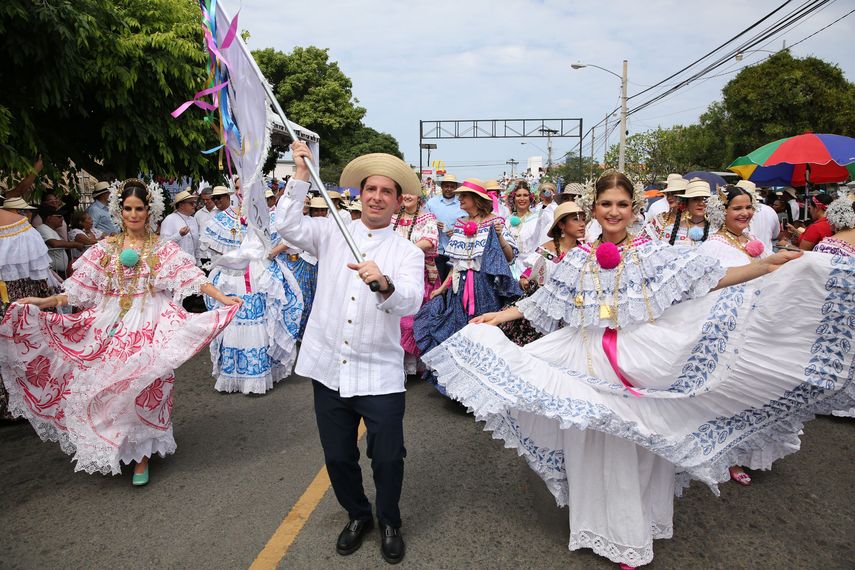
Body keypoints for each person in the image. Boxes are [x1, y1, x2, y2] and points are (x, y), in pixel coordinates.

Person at [419, 171, 853, 569]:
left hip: (640, 358)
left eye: (621, 204)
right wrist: (500, 317)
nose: (613, 211)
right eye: (605, 204)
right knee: (589, 448)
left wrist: (763, 266)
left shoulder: (654, 254)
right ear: (594, 210)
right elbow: (543, 301)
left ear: (633, 209)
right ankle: (597, 527)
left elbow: (707, 279)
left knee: (636, 451)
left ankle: (631, 531)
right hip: (584, 356)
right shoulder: (577, 258)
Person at [0, 179, 241, 485]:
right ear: (119, 210)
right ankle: (119, 444)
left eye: (139, 208)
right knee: (109, 385)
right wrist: (43, 301)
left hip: (151, 324)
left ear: (148, 211)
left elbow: (192, 278)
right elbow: (76, 293)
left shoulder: (161, 248)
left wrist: (222, 298)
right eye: (128, 208)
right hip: (110, 324)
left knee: (145, 387)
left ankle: (141, 457)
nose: (133, 214)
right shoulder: (106, 248)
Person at [274, 143, 424, 565]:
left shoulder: (407, 252)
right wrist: (301, 173)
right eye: (369, 189)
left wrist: (385, 283)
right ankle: (358, 514)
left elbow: (411, 299)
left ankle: (389, 520)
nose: (376, 196)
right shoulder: (332, 231)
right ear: (360, 194)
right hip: (329, 368)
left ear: (398, 201)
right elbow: (284, 223)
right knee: (338, 456)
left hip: (379, 374)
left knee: (389, 457)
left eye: (385, 191)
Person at [202, 186, 303, 396]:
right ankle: (232, 375)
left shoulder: (267, 216)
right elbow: (210, 246)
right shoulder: (224, 218)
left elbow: (290, 237)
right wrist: (231, 258)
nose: (243, 191)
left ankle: (256, 376)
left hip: (260, 276)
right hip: (232, 277)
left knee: (260, 320)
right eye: (238, 187)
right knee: (233, 320)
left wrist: (271, 253)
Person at [414, 178, 521, 361]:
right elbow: (456, 263)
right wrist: (442, 288)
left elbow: (509, 258)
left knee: (484, 330)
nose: (460, 199)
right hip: (459, 287)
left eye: (464, 196)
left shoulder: (496, 222)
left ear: (476, 199)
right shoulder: (461, 223)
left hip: (485, 286)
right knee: (457, 328)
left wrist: (500, 236)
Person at [500, 200, 586, 346]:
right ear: (561, 225)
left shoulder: (584, 252)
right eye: (575, 219)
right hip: (542, 303)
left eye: (583, 220)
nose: (582, 224)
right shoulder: (548, 247)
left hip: (570, 308)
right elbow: (532, 267)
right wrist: (524, 278)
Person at [0, 201, 52, 420]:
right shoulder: (21, 229)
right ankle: (27, 401)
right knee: (20, 350)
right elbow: (40, 276)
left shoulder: (20, 229)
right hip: (17, 302)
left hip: (15, 301)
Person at [391, 193, 439, 374]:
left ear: (419, 197)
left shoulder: (428, 218)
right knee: (394, 318)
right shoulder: (392, 218)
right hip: (394, 273)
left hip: (422, 275)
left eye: (411, 192)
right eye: (403, 192)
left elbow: (429, 241)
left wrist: (405, 252)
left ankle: (413, 362)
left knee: (412, 320)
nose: (407, 196)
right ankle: (397, 364)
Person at [643, 178, 711, 246]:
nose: (701, 203)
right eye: (668, 194)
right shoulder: (667, 224)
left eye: (674, 194)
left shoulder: (715, 229)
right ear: (686, 202)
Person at [425, 174, 465, 283]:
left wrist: (457, 231)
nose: (449, 189)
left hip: (454, 251)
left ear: (456, 188)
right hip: (436, 250)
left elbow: (468, 224)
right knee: (436, 282)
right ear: (442, 187)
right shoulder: (431, 203)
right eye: (446, 186)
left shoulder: (462, 204)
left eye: (452, 186)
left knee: (453, 282)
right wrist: (433, 224)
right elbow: (424, 221)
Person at [35, 205, 83, 278]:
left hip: (58, 271)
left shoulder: (50, 230)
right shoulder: (42, 228)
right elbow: (54, 243)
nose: (62, 219)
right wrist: (75, 244)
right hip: (54, 271)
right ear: (49, 218)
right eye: (59, 216)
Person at [507, 180, 542, 278]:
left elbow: (542, 248)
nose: (522, 199)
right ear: (513, 198)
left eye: (525, 195)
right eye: (518, 195)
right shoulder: (507, 221)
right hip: (510, 272)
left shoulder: (538, 220)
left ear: (531, 197)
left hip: (531, 270)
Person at [160, 188, 200, 262]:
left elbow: (196, 244)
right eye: (191, 203)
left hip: (192, 264)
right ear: (181, 205)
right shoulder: (169, 219)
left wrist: (198, 262)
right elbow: (163, 244)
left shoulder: (193, 220)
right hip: (176, 264)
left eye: (194, 202)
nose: (194, 205)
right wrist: (179, 235)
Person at [742, 180, 780, 253]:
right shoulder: (770, 210)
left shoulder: (739, 213)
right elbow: (776, 235)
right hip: (767, 254)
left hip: (747, 255)